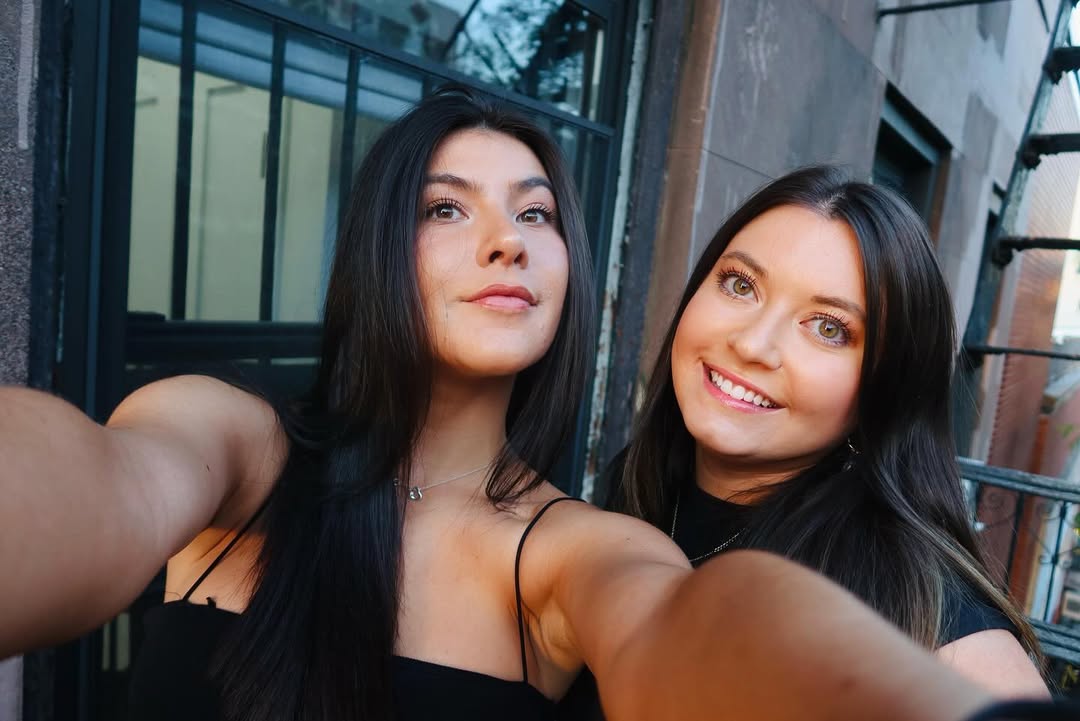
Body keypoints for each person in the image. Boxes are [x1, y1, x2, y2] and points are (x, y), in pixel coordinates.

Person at [0, 90, 1027, 721]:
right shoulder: (235, 442)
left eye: (537, 214)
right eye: (446, 206)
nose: (506, 239)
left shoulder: (580, 545)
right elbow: (105, 482)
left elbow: (682, 623)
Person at [610, 165, 1049, 698]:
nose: (752, 345)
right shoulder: (640, 484)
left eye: (828, 328)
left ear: (884, 388)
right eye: (741, 285)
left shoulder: (910, 599)